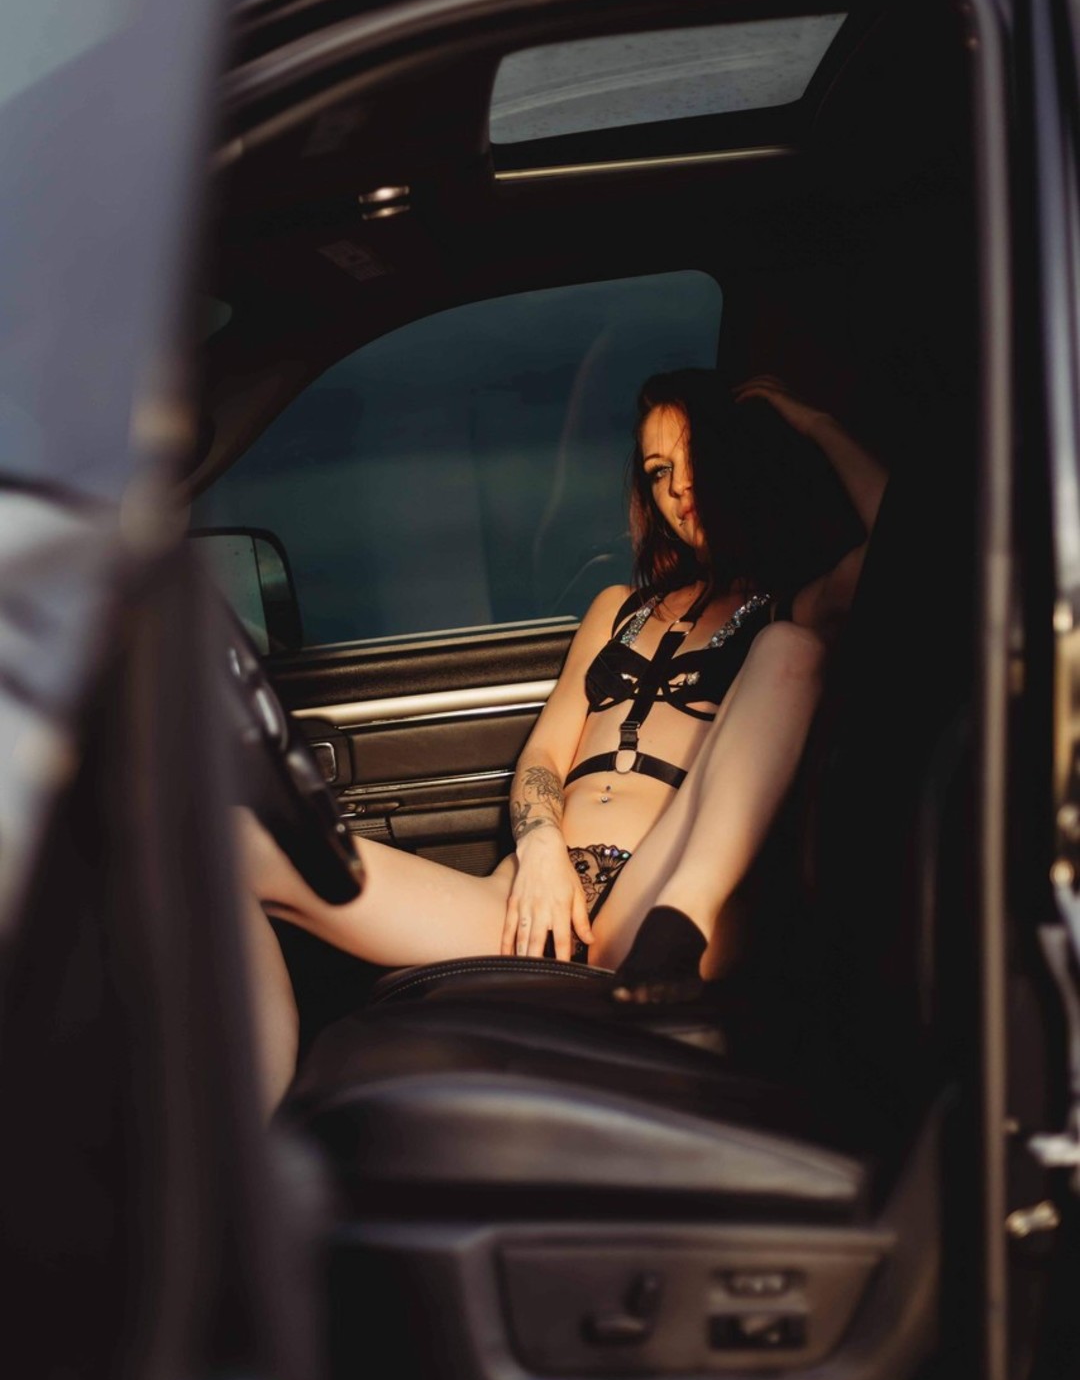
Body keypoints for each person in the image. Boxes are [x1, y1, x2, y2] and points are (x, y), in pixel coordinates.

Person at [239, 370, 888, 1108]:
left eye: (695, 460)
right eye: (658, 471)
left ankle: (680, 929)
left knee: (791, 652)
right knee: (239, 842)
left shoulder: (790, 605)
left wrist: (812, 422)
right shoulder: (618, 608)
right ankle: (252, 1139)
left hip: (658, 893)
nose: (679, 489)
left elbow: (910, 537)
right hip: (533, 903)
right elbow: (545, 754)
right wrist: (541, 847)